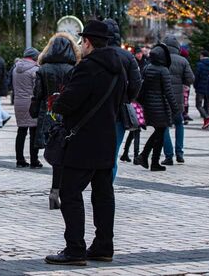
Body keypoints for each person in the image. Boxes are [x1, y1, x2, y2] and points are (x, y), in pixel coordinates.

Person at [44, 20, 126, 266]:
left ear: (88, 42)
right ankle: (103, 246)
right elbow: (127, 96)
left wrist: (57, 102)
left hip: (82, 142)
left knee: (69, 193)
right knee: (103, 194)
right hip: (107, 139)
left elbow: (68, 102)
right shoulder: (119, 67)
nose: (81, 45)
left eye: (82, 41)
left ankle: (75, 249)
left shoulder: (88, 68)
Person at [30, 33, 81, 192]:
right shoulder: (74, 69)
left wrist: (34, 110)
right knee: (67, 150)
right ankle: (63, 186)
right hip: (68, 115)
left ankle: (56, 187)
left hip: (48, 113)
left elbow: (38, 93)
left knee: (54, 151)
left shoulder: (43, 69)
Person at [104, 19, 141, 181]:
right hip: (119, 109)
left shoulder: (96, 54)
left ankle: (98, 183)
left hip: (98, 110)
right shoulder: (127, 56)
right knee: (113, 151)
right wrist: (127, 98)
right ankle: (108, 185)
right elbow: (136, 83)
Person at [136, 44, 178, 172]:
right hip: (160, 107)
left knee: (159, 133)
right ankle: (144, 156)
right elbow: (168, 91)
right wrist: (175, 108)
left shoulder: (147, 67)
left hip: (149, 105)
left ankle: (153, 162)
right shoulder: (163, 70)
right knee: (159, 132)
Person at [161, 35, 195, 165]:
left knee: (164, 126)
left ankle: (168, 155)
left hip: (164, 98)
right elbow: (190, 79)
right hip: (177, 100)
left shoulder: (161, 59)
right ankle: (179, 153)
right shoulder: (183, 61)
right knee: (179, 124)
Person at [12, 47, 41, 168]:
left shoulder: (15, 69)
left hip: (18, 102)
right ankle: (34, 160)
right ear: (35, 57)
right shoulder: (35, 70)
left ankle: (20, 160)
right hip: (31, 103)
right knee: (33, 132)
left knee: (21, 131)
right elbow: (37, 88)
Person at [195, 50, 209, 129]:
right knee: (206, 105)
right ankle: (206, 123)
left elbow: (197, 77)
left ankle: (207, 118)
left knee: (198, 105)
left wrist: (195, 86)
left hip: (200, 88)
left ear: (202, 56)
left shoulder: (200, 65)